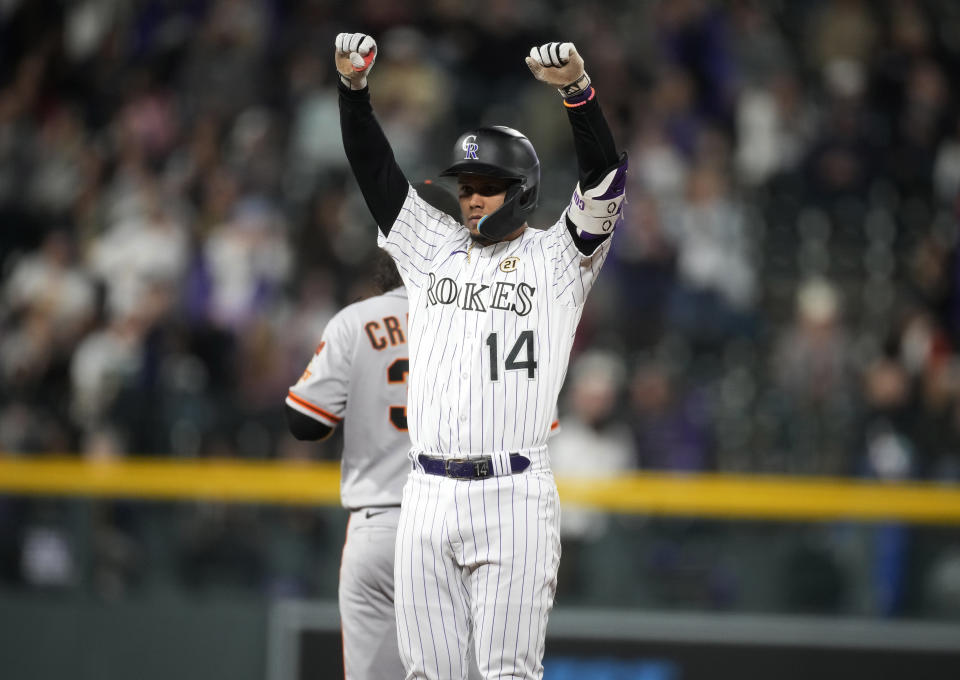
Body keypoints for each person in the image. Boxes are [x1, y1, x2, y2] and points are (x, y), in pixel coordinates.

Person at [335, 32, 627, 680]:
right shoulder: (430, 246)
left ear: (521, 190)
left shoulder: (560, 258)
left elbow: (605, 180)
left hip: (514, 495)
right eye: (466, 185)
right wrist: (353, 92)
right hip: (428, 494)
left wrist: (578, 94)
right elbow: (374, 172)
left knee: (508, 676)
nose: (471, 197)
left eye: (487, 186)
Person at [284, 182, 462, 680]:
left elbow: (305, 423)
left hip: (376, 526)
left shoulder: (356, 321)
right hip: (455, 528)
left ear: (388, 244)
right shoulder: (484, 320)